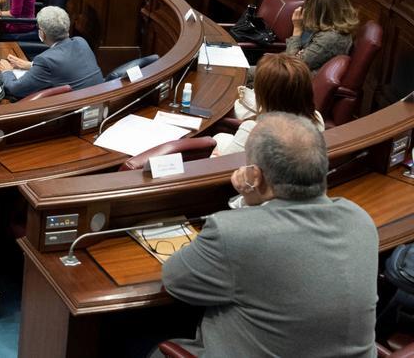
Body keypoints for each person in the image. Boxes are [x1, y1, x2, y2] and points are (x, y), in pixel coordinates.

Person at [159, 113, 377, 358]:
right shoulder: (359, 219)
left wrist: (249, 201)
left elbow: (175, 281)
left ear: (256, 176)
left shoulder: (233, 234)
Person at [212, 53, 324, 156]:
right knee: (222, 138)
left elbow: (225, 169)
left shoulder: (252, 130)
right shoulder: (317, 118)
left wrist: (217, 158)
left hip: (255, 174)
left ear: (264, 94)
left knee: (218, 141)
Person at [0, 6, 103, 99]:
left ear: (42, 33)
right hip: (96, 99)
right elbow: (65, 67)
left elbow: (16, 89)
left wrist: (7, 72)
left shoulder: (45, 60)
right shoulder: (81, 42)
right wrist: (30, 65)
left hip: (70, 112)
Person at [285, 0, 357, 73]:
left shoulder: (330, 38)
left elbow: (291, 67)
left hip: (302, 83)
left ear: (319, 12)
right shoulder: (329, 27)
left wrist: (297, 29)